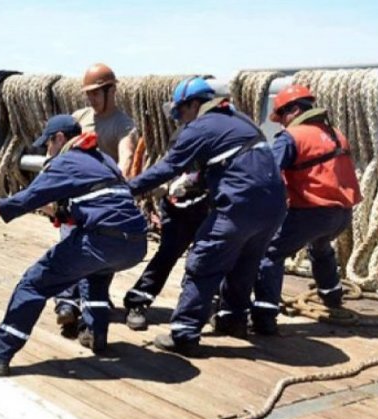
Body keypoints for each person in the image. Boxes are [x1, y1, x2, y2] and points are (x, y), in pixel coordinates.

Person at [0, 115, 147, 375]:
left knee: (33, 284)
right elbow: (101, 201)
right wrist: (63, 213)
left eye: (48, 144)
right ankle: (94, 333)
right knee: (97, 273)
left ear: (59, 139)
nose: (47, 151)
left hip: (101, 239)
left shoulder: (65, 161)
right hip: (135, 243)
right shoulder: (105, 160)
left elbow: (24, 201)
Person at [127, 77, 286, 355]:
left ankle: (184, 334)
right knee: (245, 264)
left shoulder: (200, 127)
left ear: (193, 105)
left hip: (239, 205)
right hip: (274, 207)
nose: (181, 120)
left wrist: (127, 190)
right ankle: (233, 320)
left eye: (180, 112)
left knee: (204, 262)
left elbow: (167, 167)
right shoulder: (241, 120)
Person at [251, 84, 362, 334]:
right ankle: (332, 296)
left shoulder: (292, 137)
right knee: (321, 247)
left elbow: (267, 173)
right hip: (342, 214)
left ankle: (264, 318)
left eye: (281, 117)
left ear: (294, 110)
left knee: (270, 253)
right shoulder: (335, 133)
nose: (280, 124)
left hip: (311, 213)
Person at [55, 63, 139, 338]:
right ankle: (68, 304)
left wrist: (121, 183)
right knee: (69, 248)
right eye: (88, 94)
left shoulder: (124, 126)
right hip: (76, 199)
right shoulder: (79, 118)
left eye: (95, 93)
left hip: (103, 205)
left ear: (111, 90)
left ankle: (83, 307)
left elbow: (127, 157)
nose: (90, 99)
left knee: (94, 260)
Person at [122, 125, 210, 331]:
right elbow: (163, 175)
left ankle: (213, 309)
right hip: (177, 210)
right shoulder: (179, 149)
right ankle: (138, 301)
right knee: (167, 255)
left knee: (206, 261)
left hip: (208, 210)